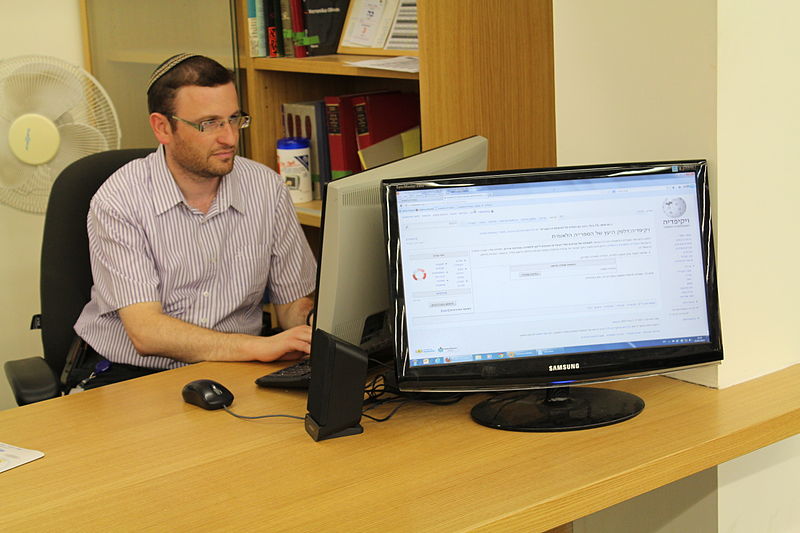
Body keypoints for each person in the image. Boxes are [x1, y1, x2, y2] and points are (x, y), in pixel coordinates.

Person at [72, 53, 316, 388]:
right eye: (210, 124)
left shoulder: (266, 188)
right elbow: (147, 333)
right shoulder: (119, 200)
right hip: (134, 376)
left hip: (239, 370)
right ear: (162, 127)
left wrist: (311, 328)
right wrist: (261, 347)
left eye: (234, 119)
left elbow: (292, 306)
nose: (230, 138)